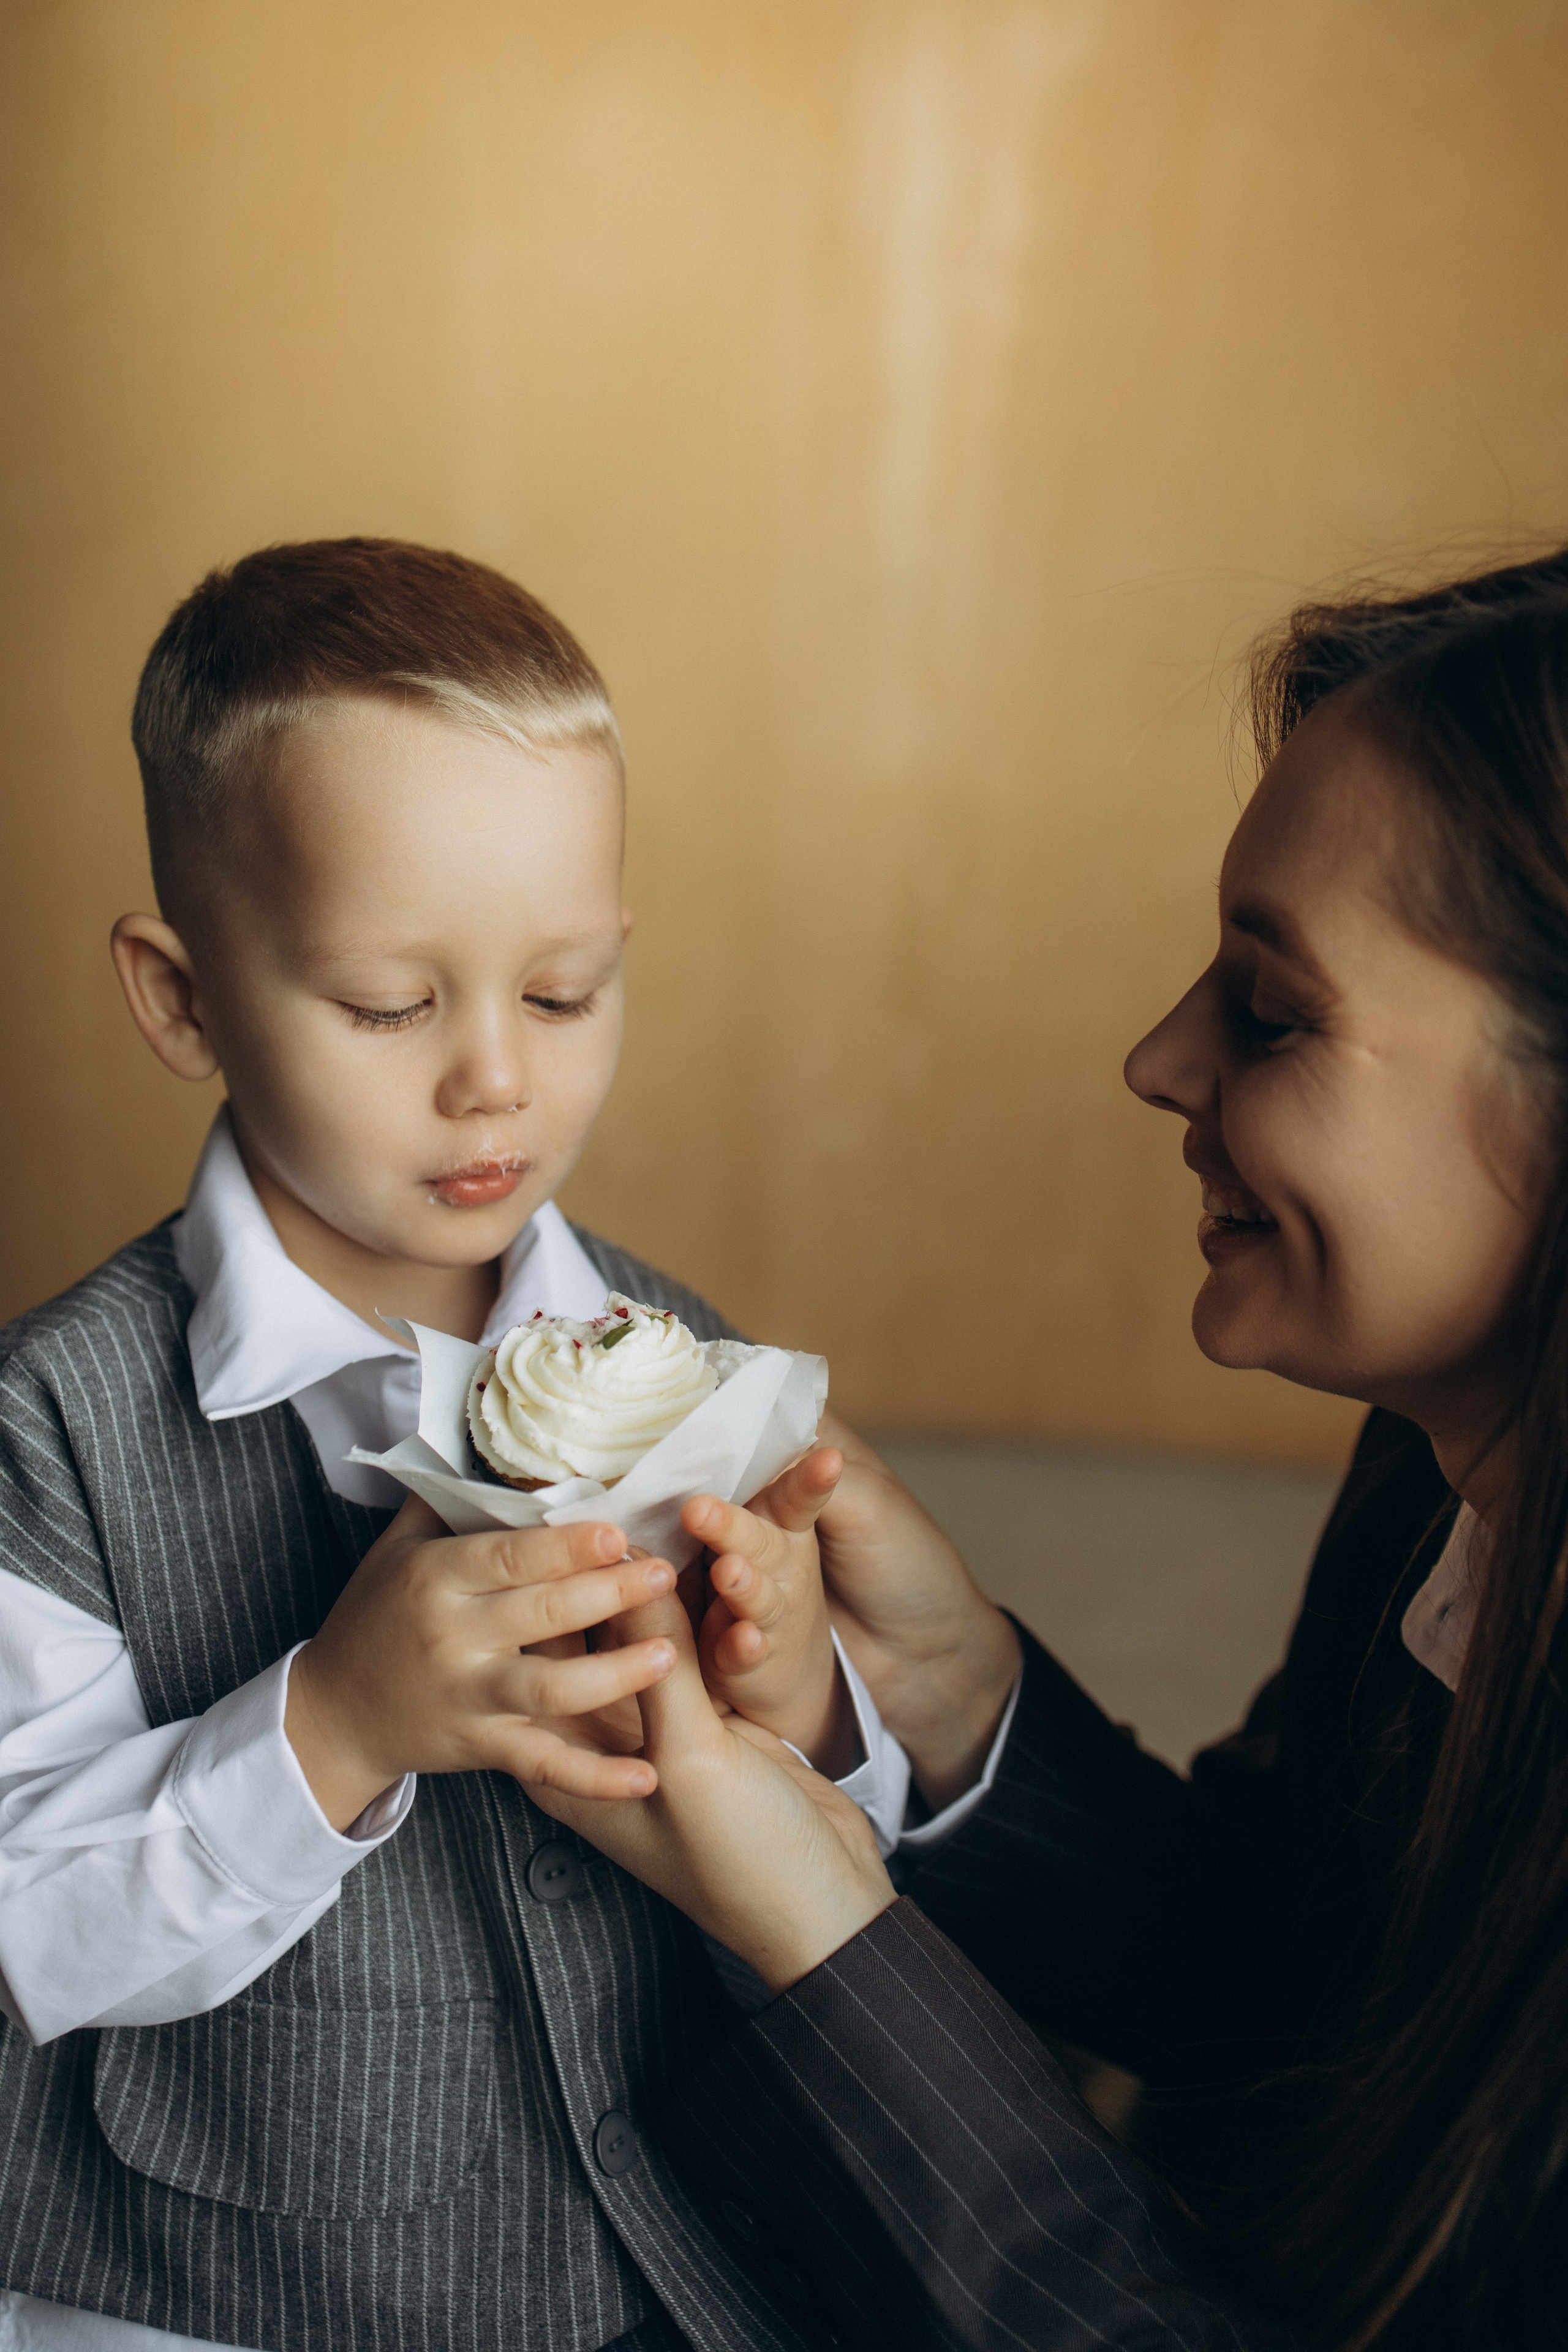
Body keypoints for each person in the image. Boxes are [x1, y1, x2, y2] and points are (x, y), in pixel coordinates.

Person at [537, 547, 1568, 2351]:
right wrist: (951, 1702)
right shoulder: (1449, 1467)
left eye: (1269, 1007)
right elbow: (1295, 1985)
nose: (1159, 1061)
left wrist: (832, 1957)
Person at [0, 539, 976, 2352]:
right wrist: (331, 1724)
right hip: (229, 2299)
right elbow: (28, 1926)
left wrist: (808, 1706)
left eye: (564, 992)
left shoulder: (683, 1363)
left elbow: (837, 1860)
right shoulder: (50, 1430)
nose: (495, 1084)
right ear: (184, 996)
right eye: (390, 1004)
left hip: (666, 2267)